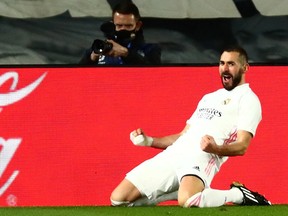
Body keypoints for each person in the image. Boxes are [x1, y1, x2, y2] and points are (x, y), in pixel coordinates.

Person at [110, 46, 271, 207]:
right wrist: (149, 141)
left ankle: (238, 194)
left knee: (189, 200)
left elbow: (242, 146)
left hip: (203, 156)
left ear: (245, 67)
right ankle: (175, 193)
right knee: (118, 199)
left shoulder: (248, 99)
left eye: (231, 64)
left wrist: (215, 149)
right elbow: (183, 135)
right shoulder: (209, 97)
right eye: (222, 63)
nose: (224, 68)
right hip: (175, 153)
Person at [79, 0, 161, 65]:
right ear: (112, 24)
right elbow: (76, 75)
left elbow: (156, 76)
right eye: (119, 25)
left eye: (128, 26)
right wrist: (91, 58)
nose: (123, 29)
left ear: (138, 26)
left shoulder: (150, 49)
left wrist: (127, 54)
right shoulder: (101, 48)